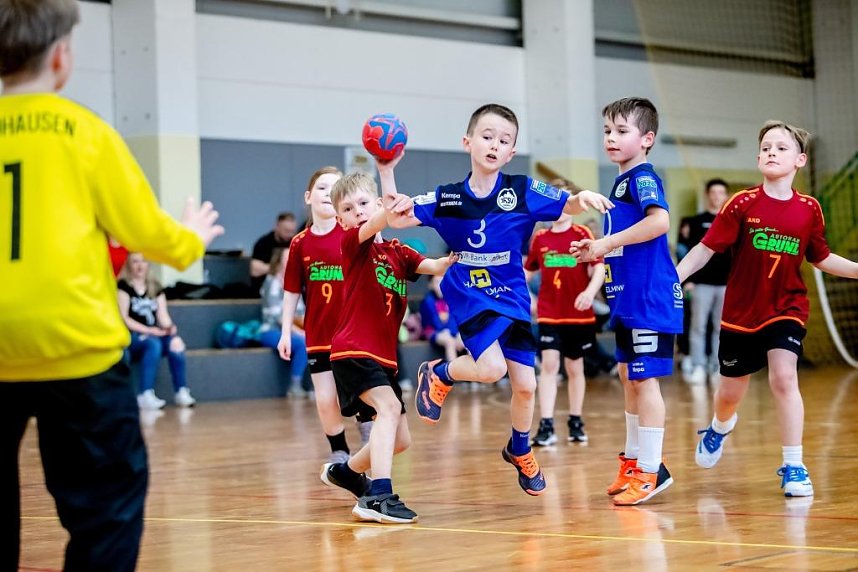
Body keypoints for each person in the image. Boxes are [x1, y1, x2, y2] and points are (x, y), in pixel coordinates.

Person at [0, 1, 224, 569]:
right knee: (108, 509)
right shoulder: (86, 133)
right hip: (78, 350)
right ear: (60, 57)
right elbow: (150, 234)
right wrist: (193, 237)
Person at [376, 103, 612, 496]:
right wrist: (386, 170)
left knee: (526, 386)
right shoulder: (448, 198)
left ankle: (519, 448)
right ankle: (439, 373)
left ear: (511, 153)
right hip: (470, 290)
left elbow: (565, 204)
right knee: (490, 368)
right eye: (487, 136)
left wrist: (581, 196)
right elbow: (397, 219)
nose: (494, 144)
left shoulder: (522, 190)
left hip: (512, 293)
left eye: (504, 140)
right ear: (467, 142)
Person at [677, 120, 858, 497]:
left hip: (786, 306)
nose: (771, 152)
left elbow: (820, 258)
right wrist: (673, 278)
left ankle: (794, 465)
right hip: (741, 313)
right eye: (766, 147)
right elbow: (705, 249)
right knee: (729, 395)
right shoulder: (742, 203)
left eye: (780, 147)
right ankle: (719, 427)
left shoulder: (810, 209)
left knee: (784, 377)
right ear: (758, 157)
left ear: (800, 160)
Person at [319, 171, 455, 524]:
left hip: (383, 358)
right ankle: (378, 496)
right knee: (389, 407)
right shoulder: (353, 244)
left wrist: (460, 252)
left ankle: (348, 472)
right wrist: (387, 170)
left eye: (364, 203)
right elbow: (384, 218)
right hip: (352, 350)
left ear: (375, 202)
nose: (358, 212)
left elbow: (437, 266)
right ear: (340, 220)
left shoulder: (398, 253)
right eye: (349, 209)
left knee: (401, 439)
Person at [571, 97, 683, 506]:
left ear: (647, 138)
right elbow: (622, 243)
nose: (611, 138)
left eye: (622, 131)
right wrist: (595, 251)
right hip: (626, 299)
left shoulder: (642, 177)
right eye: (607, 131)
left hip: (649, 297)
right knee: (626, 376)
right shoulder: (618, 184)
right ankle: (635, 461)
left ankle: (652, 471)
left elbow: (660, 221)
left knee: (643, 378)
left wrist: (606, 241)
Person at [278, 167, 372, 463]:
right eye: (321, 187)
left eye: (334, 188)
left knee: (360, 393)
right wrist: (284, 331)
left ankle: (370, 443)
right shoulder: (299, 243)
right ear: (308, 196)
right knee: (325, 399)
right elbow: (291, 290)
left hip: (353, 334)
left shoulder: (352, 235)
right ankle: (339, 450)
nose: (327, 193)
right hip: (318, 334)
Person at [525, 201, 605, 446]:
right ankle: (547, 425)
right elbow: (526, 272)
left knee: (574, 368)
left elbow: (598, 267)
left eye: (564, 204)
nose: (558, 210)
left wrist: (591, 292)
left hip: (578, 314)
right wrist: (529, 298)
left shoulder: (582, 234)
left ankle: (575, 420)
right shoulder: (540, 238)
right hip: (549, 313)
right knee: (549, 365)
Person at [118, 253, 197, 409]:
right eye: (135, 262)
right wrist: (149, 330)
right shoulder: (123, 287)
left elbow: (162, 315)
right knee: (153, 344)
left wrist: (170, 330)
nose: (140, 266)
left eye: (143, 261)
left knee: (176, 345)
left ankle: (181, 391)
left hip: (153, 333)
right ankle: (145, 394)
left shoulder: (155, 287)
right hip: (132, 336)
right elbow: (124, 318)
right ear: (129, 265)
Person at [676, 179, 731, 384]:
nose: (717, 196)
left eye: (721, 192)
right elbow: (691, 253)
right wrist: (688, 280)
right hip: (701, 284)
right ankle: (698, 365)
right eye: (713, 192)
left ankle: (717, 365)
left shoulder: (732, 221)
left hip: (726, 285)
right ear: (708, 195)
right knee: (698, 326)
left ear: (726, 196)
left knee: (721, 328)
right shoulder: (696, 221)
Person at [258, 247, 310, 397]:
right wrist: (299, 332)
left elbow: (300, 311)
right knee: (302, 343)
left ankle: (315, 387)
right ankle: (295, 385)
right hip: (271, 330)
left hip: (292, 328)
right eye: (287, 258)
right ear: (279, 262)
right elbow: (277, 316)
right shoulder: (272, 282)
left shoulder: (296, 281)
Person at [420, 274, 465, 363]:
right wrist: (448, 333)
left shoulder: (450, 299)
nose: (440, 285)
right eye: (436, 282)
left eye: (442, 282)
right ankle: (453, 374)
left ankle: (473, 374)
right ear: (431, 285)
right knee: (449, 341)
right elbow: (434, 321)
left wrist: (456, 334)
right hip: (434, 332)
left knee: (465, 341)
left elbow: (453, 319)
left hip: (450, 331)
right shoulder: (428, 301)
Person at [250, 211, 297, 291]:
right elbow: (254, 270)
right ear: (277, 226)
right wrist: (278, 268)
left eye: (291, 231)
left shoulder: (296, 242)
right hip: (265, 286)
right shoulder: (263, 243)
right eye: (286, 231)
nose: (289, 234)